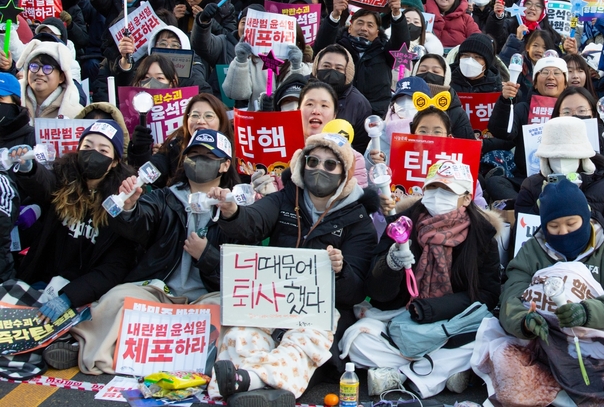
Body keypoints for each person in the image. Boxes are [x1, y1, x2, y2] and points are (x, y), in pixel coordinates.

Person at [210, 132, 379, 402]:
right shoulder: (284, 199)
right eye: (312, 161)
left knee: (304, 341)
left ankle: (247, 380)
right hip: (273, 302)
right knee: (242, 334)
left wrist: (340, 270)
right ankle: (255, 388)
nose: (319, 169)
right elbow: (253, 221)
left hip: (323, 313)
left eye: (330, 164)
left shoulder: (359, 221)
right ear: (301, 164)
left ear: (345, 174)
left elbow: (357, 290)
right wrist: (233, 213)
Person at [67, 129, 238, 375]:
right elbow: (139, 222)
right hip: (160, 292)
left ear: (224, 165)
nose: (198, 161)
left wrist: (207, 256)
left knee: (230, 313)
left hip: (207, 297)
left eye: (208, 157)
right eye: (193, 155)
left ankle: (222, 371)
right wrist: (129, 206)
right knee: (117, 299)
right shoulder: (164, 198)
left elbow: (240, 267)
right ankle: (87, 350)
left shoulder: (236, 207)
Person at [481, 178, 604, 406]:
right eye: (554, 227)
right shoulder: (532, 250)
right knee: (505, 363)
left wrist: (586, 312)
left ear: (585, 217)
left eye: (571, 224)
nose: (563, 232)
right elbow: (511, 294)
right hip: (544, 339)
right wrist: (524, 321)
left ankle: (590, 397)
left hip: (598, 338)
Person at [341, 160, 501, 397]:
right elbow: (377, 293)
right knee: (355, 341)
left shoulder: (482, 234)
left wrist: (432, 309)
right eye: (432, 189)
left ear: (467, 198)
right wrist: (391, 264)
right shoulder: (401, 225)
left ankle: (399, 374)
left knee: (487, 341)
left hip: (453, 322)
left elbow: (487, 294)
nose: (438, 196)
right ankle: (438, 373)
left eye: (448, 191)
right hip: (398, 317)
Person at [8, 121, 136, 369]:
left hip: (86, 293)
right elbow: (43, 183)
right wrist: (27, 167)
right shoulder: (63, 178)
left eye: (103, 150)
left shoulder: (121, 202)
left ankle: (67, 344)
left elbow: (114, 268)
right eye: (87, 146)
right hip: (45, 283)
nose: (92, 154)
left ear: (114, 162)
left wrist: (70, 297)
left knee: (92, 321)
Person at [514, 115, 604, 245]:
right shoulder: (531, 186)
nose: (562, 165)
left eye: (570, 158)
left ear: (582, 159)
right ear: (545, 160)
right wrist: (541, 204)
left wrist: (584, 209)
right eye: (555, 159)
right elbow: (521, 241)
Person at [312, 0, 409, 117]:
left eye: (370, 25)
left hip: (374, 116)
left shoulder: (384, 52)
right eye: (360, 23)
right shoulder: (338, 48)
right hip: (337, 111)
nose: (364, 28)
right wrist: (335, 15)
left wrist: (396, 14)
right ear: (350, 27)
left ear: (377, 33)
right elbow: (321, 48)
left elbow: (401, 46)